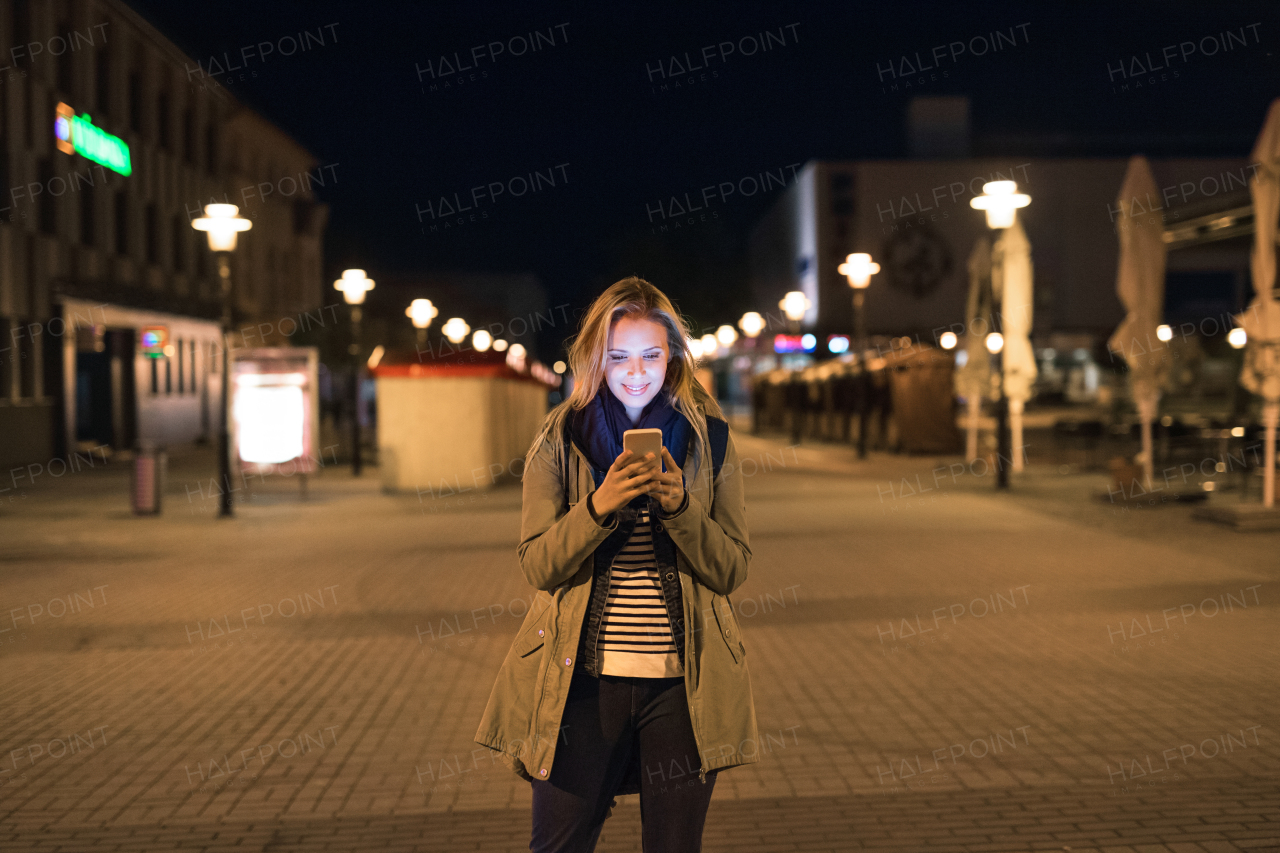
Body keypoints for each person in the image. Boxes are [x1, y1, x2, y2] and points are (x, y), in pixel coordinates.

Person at [474, 276, 759, 853]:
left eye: (652, 355)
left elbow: (731, 568)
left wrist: (680, 508)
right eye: (619, 356)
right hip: (579, 680)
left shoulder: (711, 443)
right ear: (596, 361)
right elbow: (539, 565)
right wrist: (599, 506)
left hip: (682, 686)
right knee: (559, 843)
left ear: (673, 360)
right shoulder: (559, 439)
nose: (636, 371)